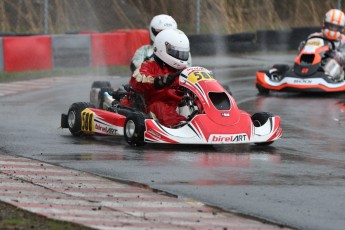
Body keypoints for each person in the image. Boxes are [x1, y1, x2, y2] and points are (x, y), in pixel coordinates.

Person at [129, 29, 190, 127]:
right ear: (162, 48)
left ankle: (211, 122)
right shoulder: (149, 66)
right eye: (176, 52)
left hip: (179, 104)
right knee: (160, 107)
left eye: (183, 53)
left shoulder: (185, 71)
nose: (180, 56)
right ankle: (180, 126)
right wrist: (158, 81)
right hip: (152, 106)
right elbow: (137, 80)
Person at [299, 9, 345, 81]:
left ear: (341, 29)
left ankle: (328, 78)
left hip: (336, 72)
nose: (332, 29)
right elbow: (301, 52)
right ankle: (300, 72)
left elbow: (343, 58)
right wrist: (303, 46)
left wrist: (332, 53)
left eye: (335, 27)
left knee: (334, 63)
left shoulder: (343, 41)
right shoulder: (314, 36)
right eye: (330, 26)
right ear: (324, 24)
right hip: (314, 66)